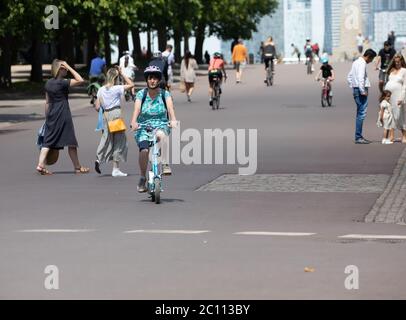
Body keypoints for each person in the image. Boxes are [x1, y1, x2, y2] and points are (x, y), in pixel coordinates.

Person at [36, 59, 89, 175]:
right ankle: (77, 167)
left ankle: (40, 165)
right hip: (63, 113)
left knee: (48, 141)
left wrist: (47, 117)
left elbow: (47, 102)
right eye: (64, 68)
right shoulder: (63, 82)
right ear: (60, 69)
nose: (66, 70)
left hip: (51, 114)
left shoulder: (48, 83)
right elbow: (80, 80)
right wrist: (69, 66)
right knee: (71, 141)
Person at [130, 66, 178, 192]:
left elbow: (170, 109)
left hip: (161, 124)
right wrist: (134, 122)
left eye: (155, 78)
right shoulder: (141, 94)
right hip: (143, 126)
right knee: (144, 150)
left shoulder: (164, 94)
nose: (153, 81)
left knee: (161, 135)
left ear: (159, 80)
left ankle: (165, 163)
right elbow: (137, 109)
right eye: (150, 78)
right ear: (147, 80)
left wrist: (173, 120)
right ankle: (142, 177)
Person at [94, 67, 135, 177]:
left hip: (105, 114)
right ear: (116, 78)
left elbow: (97, 107)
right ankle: (115, 169)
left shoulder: (101, 89)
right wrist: (123, 74)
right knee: (120, 140)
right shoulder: (117, 88)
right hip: (115, 114)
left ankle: (99, 158)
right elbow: (131, 84)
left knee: (106, 138)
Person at [347, 49, 377, 144]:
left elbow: (349, 76)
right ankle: (358, 137)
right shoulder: (362, 63)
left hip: (356, 89)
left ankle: (358, 136)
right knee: (361, 114)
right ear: (368, 56)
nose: (371, 61)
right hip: (361, 90)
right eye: (372, 59)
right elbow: (360, 77)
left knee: (359, 113)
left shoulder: (356, 62)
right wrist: (362, 90)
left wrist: (353, 86)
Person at [384, 53, 406, 143]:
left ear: (401, 61)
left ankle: (404, 135)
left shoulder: (404, 71)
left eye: (398, 61)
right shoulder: (391, 70)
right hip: (390, 96)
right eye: (395, 61)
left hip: (399, 96)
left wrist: (402, 98)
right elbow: (388, 82)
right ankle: (391, 136)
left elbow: (405, 86)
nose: (397, 63)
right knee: (390, 115)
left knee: (400, 116)